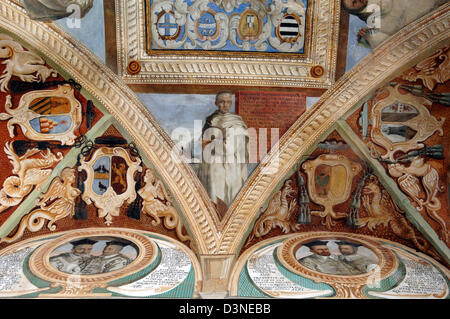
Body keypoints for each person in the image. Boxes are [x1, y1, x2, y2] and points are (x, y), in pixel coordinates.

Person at [198, 91, 249, 209]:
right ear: (216, 103)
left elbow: (235, 145)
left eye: (228, 102)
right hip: (213, 163)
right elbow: (203, 142)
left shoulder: (236, 122)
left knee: (229, 194)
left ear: (231, 103)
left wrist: (215, 141)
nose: (225, 105)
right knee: (213, 191)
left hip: (231, 163)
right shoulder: (210, 120)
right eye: (222, 102)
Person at [342, 0, 447, 49]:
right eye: (354, 2)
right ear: (355, 11)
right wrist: (366, 37)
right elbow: (381, 38)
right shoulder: (373, 19)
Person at [297, 240, 362, 276]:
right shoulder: (307, 260)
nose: (324, 251)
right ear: (312, 251)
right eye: (320, 249)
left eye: (326, 249)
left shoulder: (336, 258)